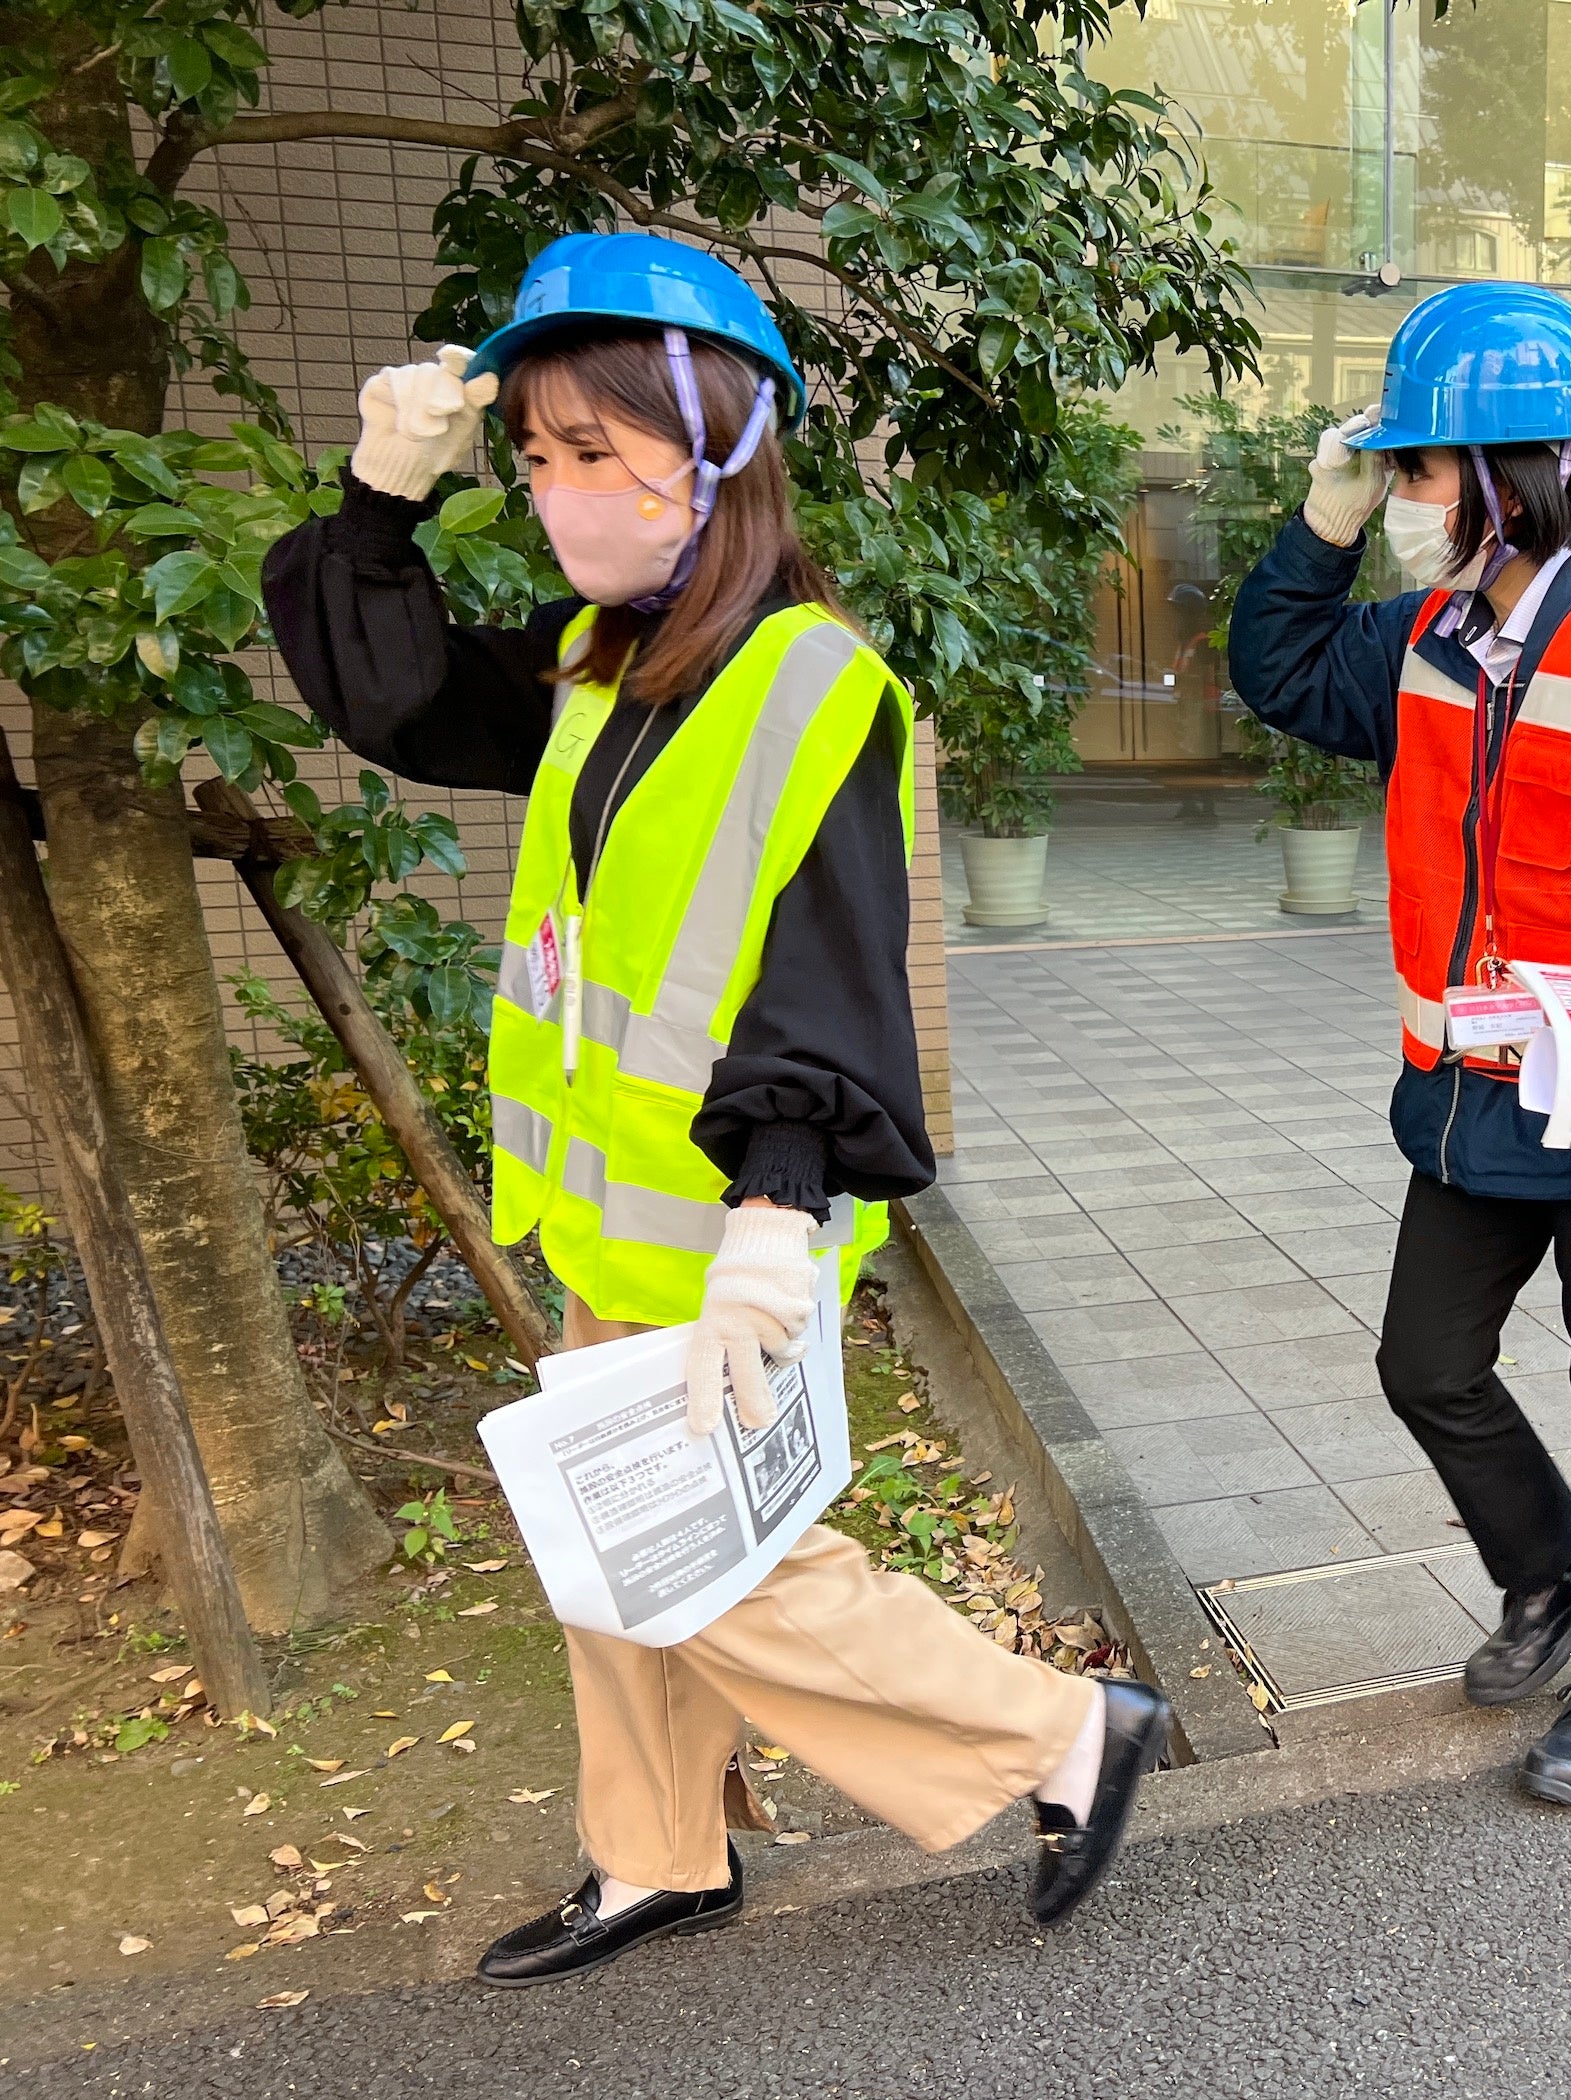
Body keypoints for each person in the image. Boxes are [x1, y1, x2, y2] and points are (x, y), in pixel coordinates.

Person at [262, 231, 1168, 1983]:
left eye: (591, 454)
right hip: (606, 1213)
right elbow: (393, 697)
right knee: (619, 1554)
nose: (551, 495)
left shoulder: (816, 684)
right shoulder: (600, 659)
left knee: (719, 1570)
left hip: (725, 1229)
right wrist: (379, 503)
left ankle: (1067, 1735)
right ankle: (656, 1852)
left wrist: (774, 1223)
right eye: (534, 460)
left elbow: (830, 981)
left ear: (726, 451)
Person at [1227, 282, 1571, 1807]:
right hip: (1471, 1098)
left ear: (1500, 477)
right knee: (1427, 1366)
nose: (1399, 500)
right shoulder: (1427, 638)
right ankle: (1552, 1574)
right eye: (1391, 476)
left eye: (1409, 473)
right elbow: (1275, 670)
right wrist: (1322, 526)